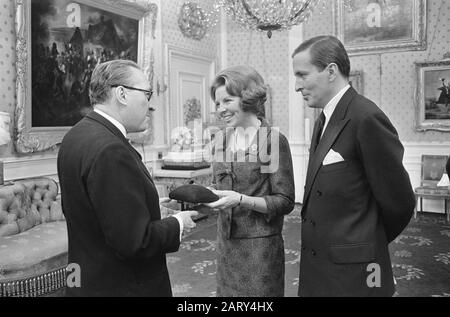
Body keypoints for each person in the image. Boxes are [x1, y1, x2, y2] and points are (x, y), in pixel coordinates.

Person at [57, 60, 198, 297]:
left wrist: (149, 209)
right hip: (122, 285)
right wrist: (179, 223)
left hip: (88, 280)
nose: (150, 104)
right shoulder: (111, 149)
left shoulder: (76, 135)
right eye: (147, 94)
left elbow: (98, 211)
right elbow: (135, 242)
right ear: (121, 94)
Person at [292, 36, 415, 297]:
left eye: (302, 75)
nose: (296, 86)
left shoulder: (366, 117)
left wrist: (365, 241)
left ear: (331, 71)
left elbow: (400, 202)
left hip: (355, 272)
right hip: (322, 265)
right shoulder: (324, 118)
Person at [204, 66, 295, 297]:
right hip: (226, 245)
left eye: (227, 101)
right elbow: (218, 189)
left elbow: (284, 201)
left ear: (247, 97)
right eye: (217, 103)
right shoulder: (221, 140)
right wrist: (198, 196)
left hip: (259, 249)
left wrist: (242, 200)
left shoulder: (272, 141)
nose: (220, 110)